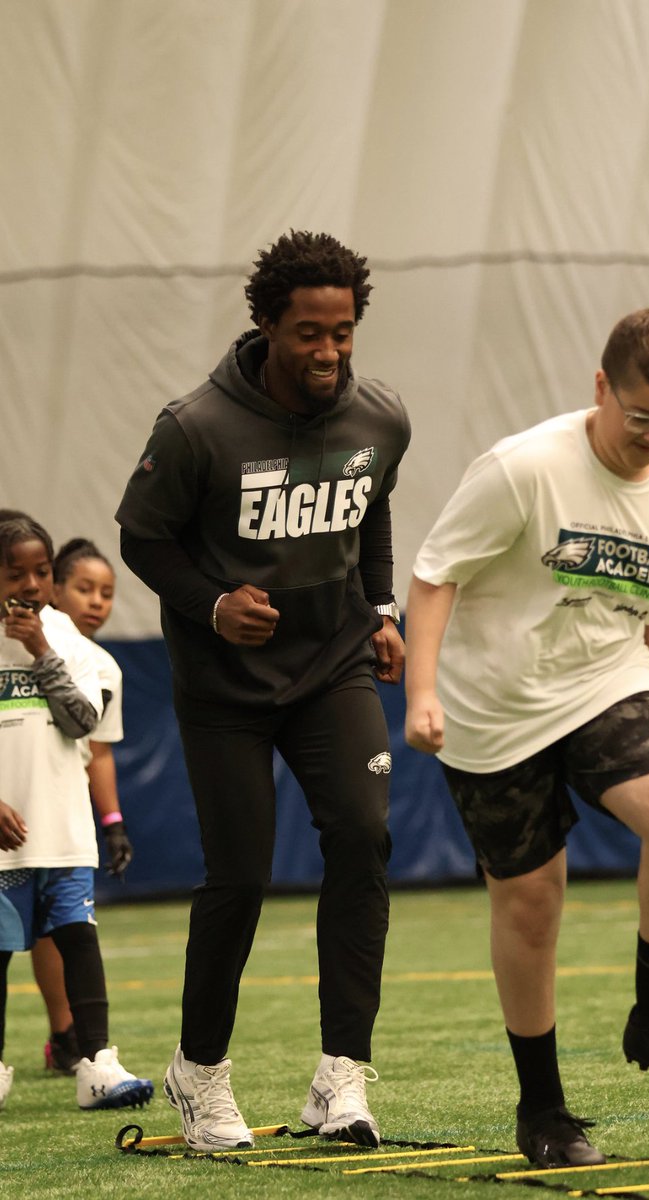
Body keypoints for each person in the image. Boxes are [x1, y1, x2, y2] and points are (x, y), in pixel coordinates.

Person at [404, 309, 649, 1168]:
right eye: (640, 418)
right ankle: (543, 1111)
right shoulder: (523, 468)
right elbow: (433, 578)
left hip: (602, 682)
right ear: (600, 389)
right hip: (493, 707)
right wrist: (423, 691)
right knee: (533, 900)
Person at [115, 230, 411, 1152]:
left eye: (343, 332)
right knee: (240, 876)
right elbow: (142, 539)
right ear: (267, 326)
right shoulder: (197, 426)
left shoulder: (381, 420)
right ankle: (199, 1074)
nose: (328, 352)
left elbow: (370, 509)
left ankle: (342, 1081)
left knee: (362, 839)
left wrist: (383, 607)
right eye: (309, 333)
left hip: (335, 670)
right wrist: (211, 605)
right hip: (225, 688)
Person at [0, 511, 152, 1112]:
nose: (32, 585)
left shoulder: (66, 637)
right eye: (17, 573)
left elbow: (84, 722)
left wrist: (40, 650)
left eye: (41, 571)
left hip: (62, 832)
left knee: (78, 941)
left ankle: (96, 1064)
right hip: (3, 840)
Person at [30, 538, 133, 1075]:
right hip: (16, 806)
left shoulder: (104, 667)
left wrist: (112, 822)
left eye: (107, 592)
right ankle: (62, 1030)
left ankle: (72, 1039)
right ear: (54, 588)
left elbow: (98, 750)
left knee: (61, 923)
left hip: (60, 816)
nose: (97, 601)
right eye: (84, 588)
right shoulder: (20, 645)